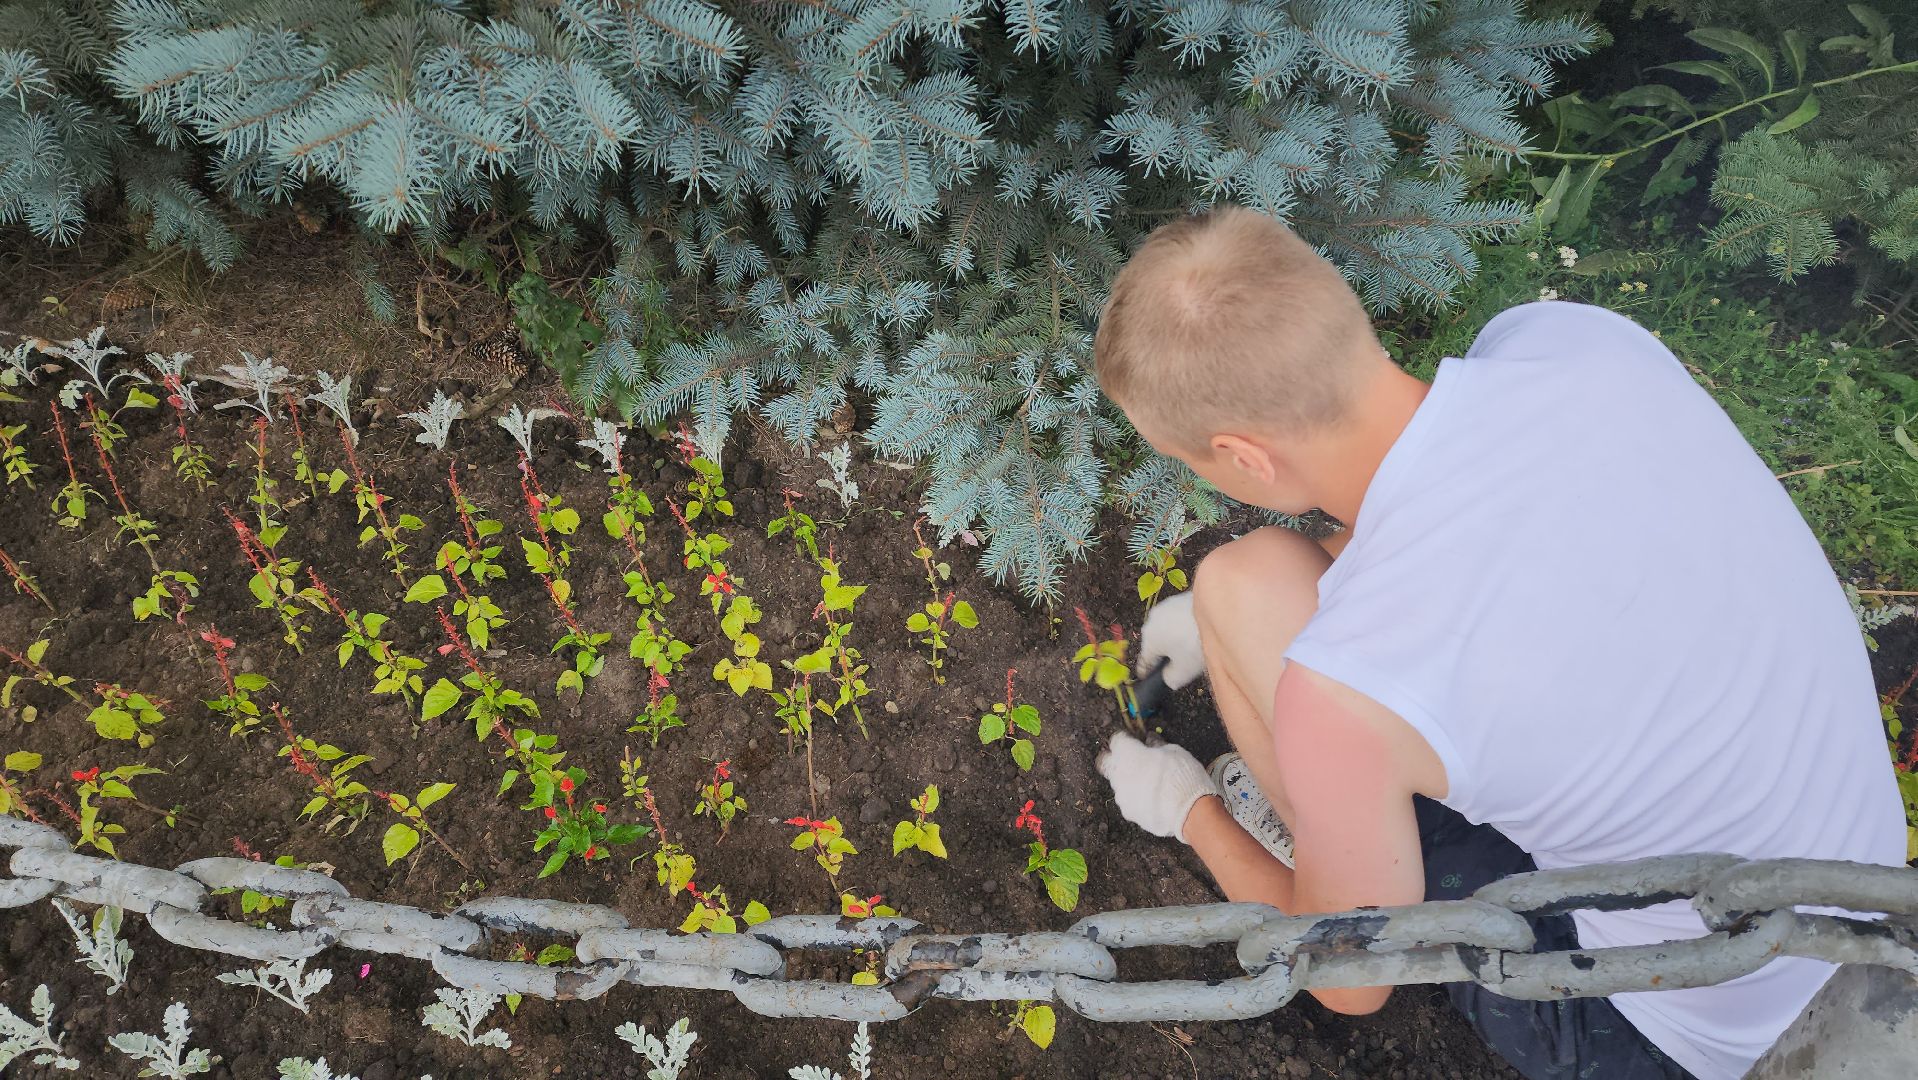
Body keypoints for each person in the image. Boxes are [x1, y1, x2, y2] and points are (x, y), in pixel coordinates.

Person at [1088, 206, 1906, 1080]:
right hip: (1870, 904)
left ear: (1244, 459)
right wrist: (1229, 616)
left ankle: (1323, 839)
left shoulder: (1343, 701)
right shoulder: (1569, 343)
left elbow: (1348, 980)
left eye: (1188, 462)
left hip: (1682, 1026)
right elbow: (1492, 514)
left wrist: (1189, 811)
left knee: (1243, 594)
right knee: (1238, 588)